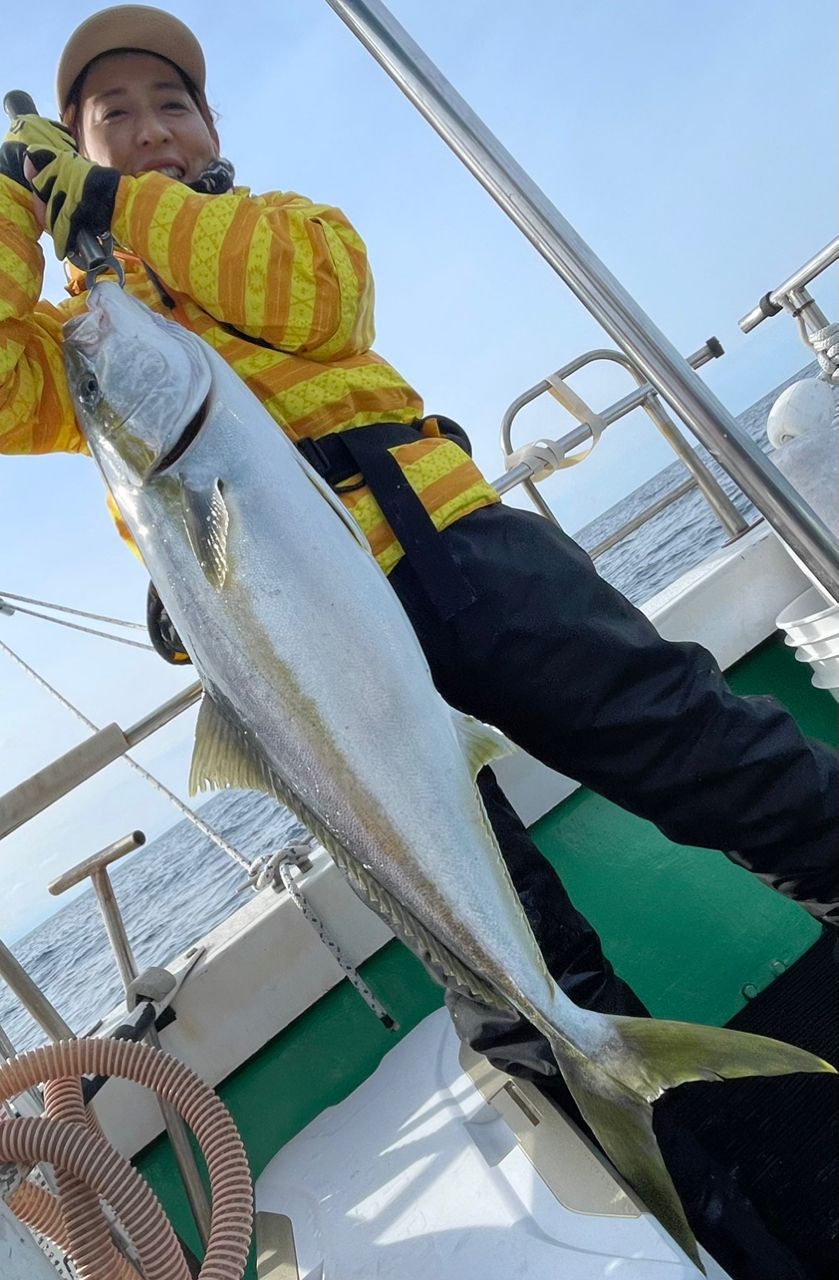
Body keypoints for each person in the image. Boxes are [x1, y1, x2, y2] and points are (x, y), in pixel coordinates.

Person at [0, 8, 835, 1275]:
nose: (152, 126)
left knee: (727, 761)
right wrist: (18, 210)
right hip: (299, 674)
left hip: (456, 557)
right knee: (513, 996)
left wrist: (108, 198)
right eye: (112, 115)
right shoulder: (86, 347)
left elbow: (315, 296)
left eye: (173, 103)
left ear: (215, 132)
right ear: (71, 151)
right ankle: (717, 1227)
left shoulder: (285, 229)